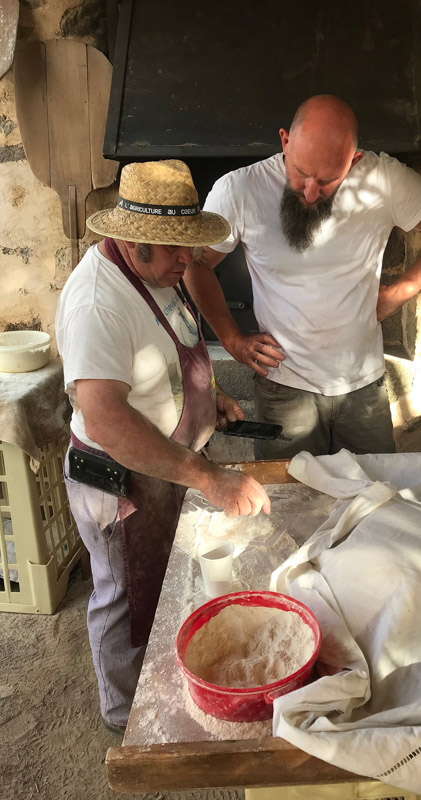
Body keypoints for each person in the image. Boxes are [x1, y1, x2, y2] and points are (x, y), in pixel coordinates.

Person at [55, 159, 270, 735]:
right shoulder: (98, 303)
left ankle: (164, 682)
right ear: (132, 242)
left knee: (165, 583)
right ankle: (124, 721)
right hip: (119, 478)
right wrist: (209, 478)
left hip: (168, 466)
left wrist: (207, 398)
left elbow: (170, 347)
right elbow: (107, 420)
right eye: (174, 247)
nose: (188, 259)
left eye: (190, 243)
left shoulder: (159, 272)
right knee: (125, 599)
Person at [185, 95, 421, 459]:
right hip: (284, 388)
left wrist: (401, 291)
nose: (310, 192)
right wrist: (231, 339)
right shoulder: (240, 189)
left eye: (327, 180)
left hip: (363, 388)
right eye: (300, 172)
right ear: (285, 141)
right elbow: (196, 264)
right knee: (291, 491)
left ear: (354, 161)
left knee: (371, 489)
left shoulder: (383, 180)